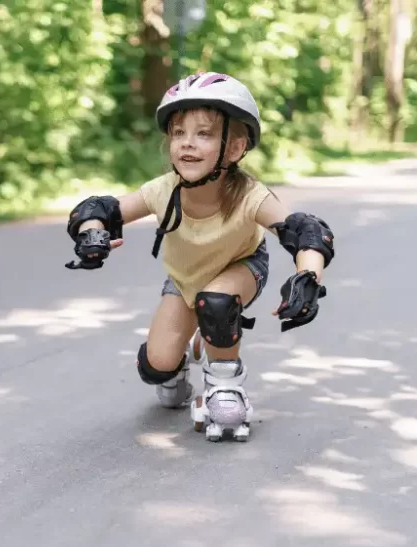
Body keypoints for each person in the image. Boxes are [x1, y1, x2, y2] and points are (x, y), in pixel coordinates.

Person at [63, 71, 335, 442]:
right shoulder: (162, 190)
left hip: (240, 268)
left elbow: (306, 231)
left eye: (204, 134)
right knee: (154, 366)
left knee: (218, 302)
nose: (187, 144)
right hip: (184, 278)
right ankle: (186, 354)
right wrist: (91, 233)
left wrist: (308, 277)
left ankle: (225, 386)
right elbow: (100, 208)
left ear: (235, 148)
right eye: (179, 133)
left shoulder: (249, 195)